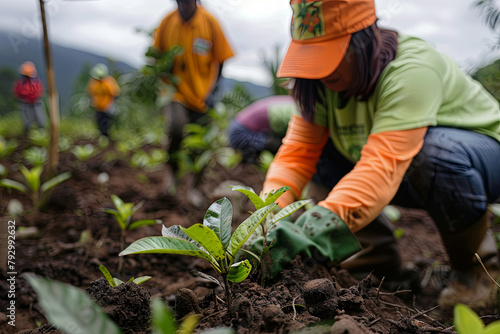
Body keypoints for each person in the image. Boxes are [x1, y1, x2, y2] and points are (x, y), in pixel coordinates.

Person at [257, 0, 500, 310]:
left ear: (363, 38)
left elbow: (381, 166)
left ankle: (476, 270)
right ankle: (377, 265)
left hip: (479, 160)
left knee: (436, 152)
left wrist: (314, 230)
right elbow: (296, 155)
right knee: (322, 149)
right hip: (404, 171)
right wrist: (266, 221)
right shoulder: (316, 85)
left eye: (330, 53)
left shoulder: (411, 68)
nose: (320, 70)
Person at [153, 0, 234, 195]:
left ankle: (195, 186)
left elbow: (221, 58)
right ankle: (172, 173)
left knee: (200, 142)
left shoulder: (210, 22)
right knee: (175, 127)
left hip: (201, 94)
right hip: (175, 92)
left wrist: (213, 92)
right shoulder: (167, 22)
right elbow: (156, 55)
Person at [227, 95, 295, 163]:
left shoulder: (295, 103)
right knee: (279, 147)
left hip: (237, 125)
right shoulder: (294, 111)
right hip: (240, 133)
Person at [86, 63, 120, 137]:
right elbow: (90, 93)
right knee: (99, 121)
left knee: (106, 122)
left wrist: (110, 105)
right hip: (98, 107)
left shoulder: (109, 82)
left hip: (107, 107)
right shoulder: (93, 82)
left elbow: (115, 94)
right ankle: (102, 136)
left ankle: (107, 136)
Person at [12, 61, 46, 134]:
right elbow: (17, 93)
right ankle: (28, 133)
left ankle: (41, 131)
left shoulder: (35, 81)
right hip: (26, 103)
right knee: (27, 119)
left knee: (39, 118)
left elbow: (40, 91)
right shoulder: (21, 83)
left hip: (36, 102)